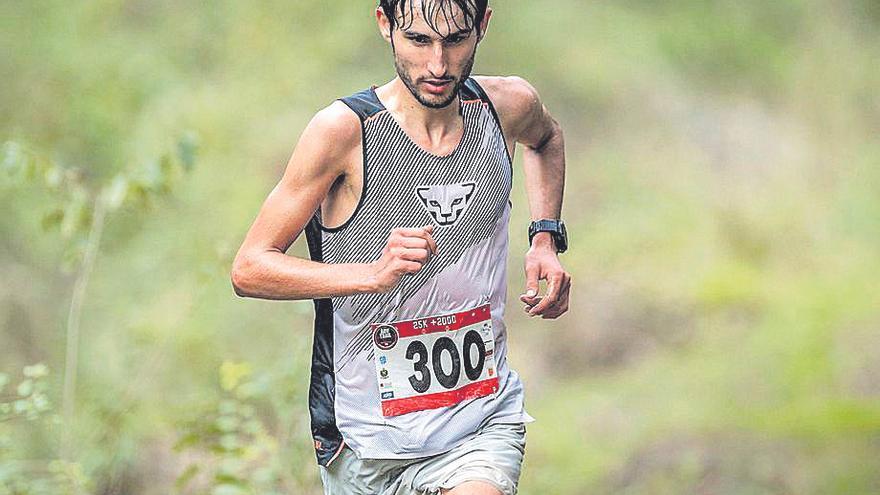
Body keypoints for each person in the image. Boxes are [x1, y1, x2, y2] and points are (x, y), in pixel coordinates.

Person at [231, 0, 570, 493]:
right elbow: (249, 269)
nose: (438, 66)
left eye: (456, 41)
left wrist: (545, 238)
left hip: (478, 422)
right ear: (385, 25)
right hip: (365, 437)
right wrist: (372, 274)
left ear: (483, 27)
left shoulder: (506, 106)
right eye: (419, 40)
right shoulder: (345, 132)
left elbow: (547, 138)